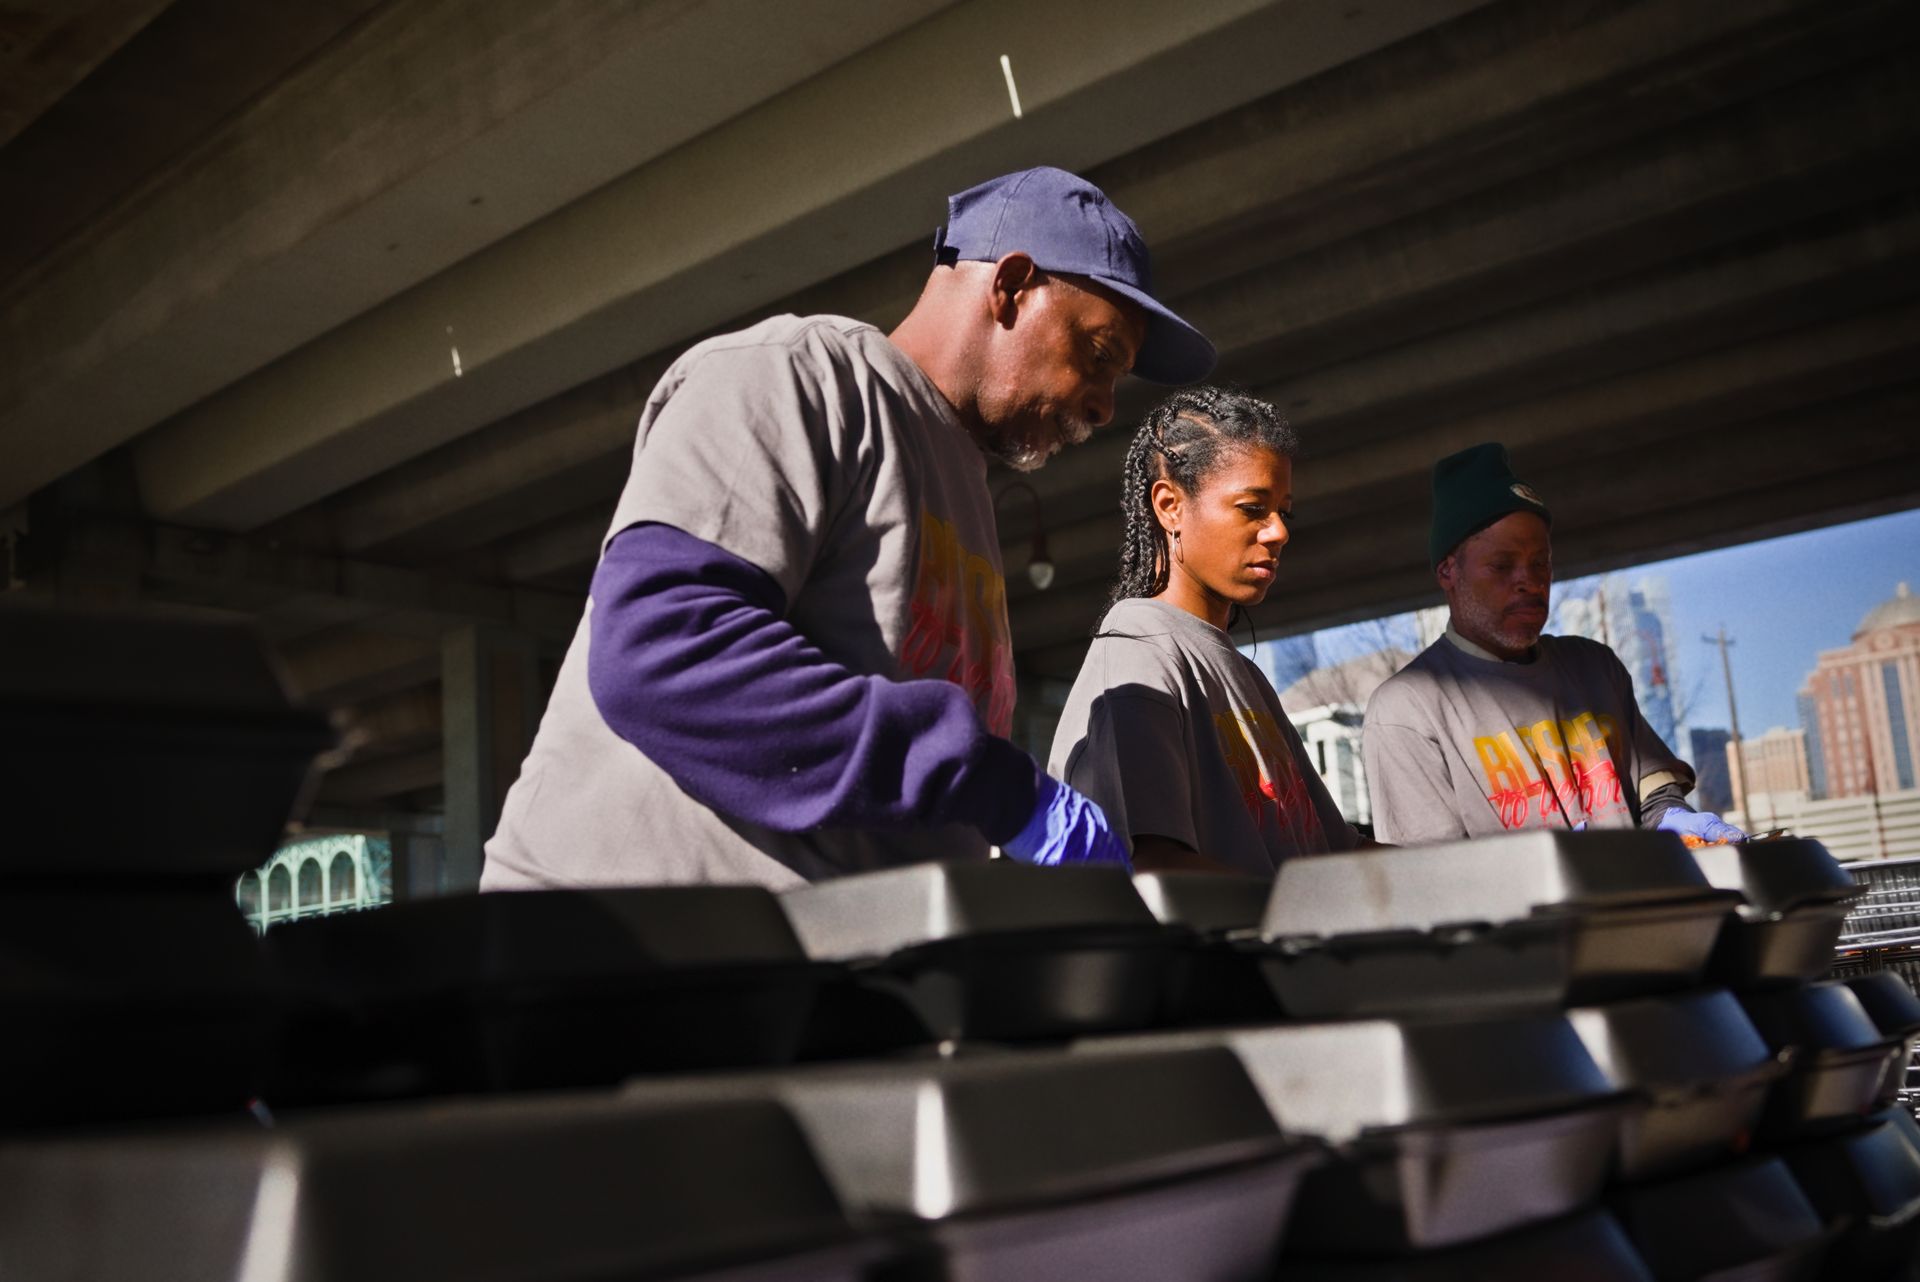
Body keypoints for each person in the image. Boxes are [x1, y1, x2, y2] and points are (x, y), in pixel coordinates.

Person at [480, 166, 1217, 890]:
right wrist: (996, 785)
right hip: (619, 957)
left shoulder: (964, 493)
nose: (1103, 407)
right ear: (1012, 286)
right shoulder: (794, 377)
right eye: (1096, 358)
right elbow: (664, 650)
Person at [1048, 387, 1365, 875]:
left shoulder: (1246, 676)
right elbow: (1157, 869)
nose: (1279, 531)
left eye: (1285, 510)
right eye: (1252, 507)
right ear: (1170, 505)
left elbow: (1336, 852)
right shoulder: (1139, 648)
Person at [1362, 442, 1744, 845]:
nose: (1529, 580)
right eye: (1502, 565)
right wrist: (1553, 866)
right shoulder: (1407, 709)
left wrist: (1670, 815)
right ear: (1448, 572)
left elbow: (1652, 789)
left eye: (1540, 562)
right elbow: (1433, 879)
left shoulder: (1595, 668)